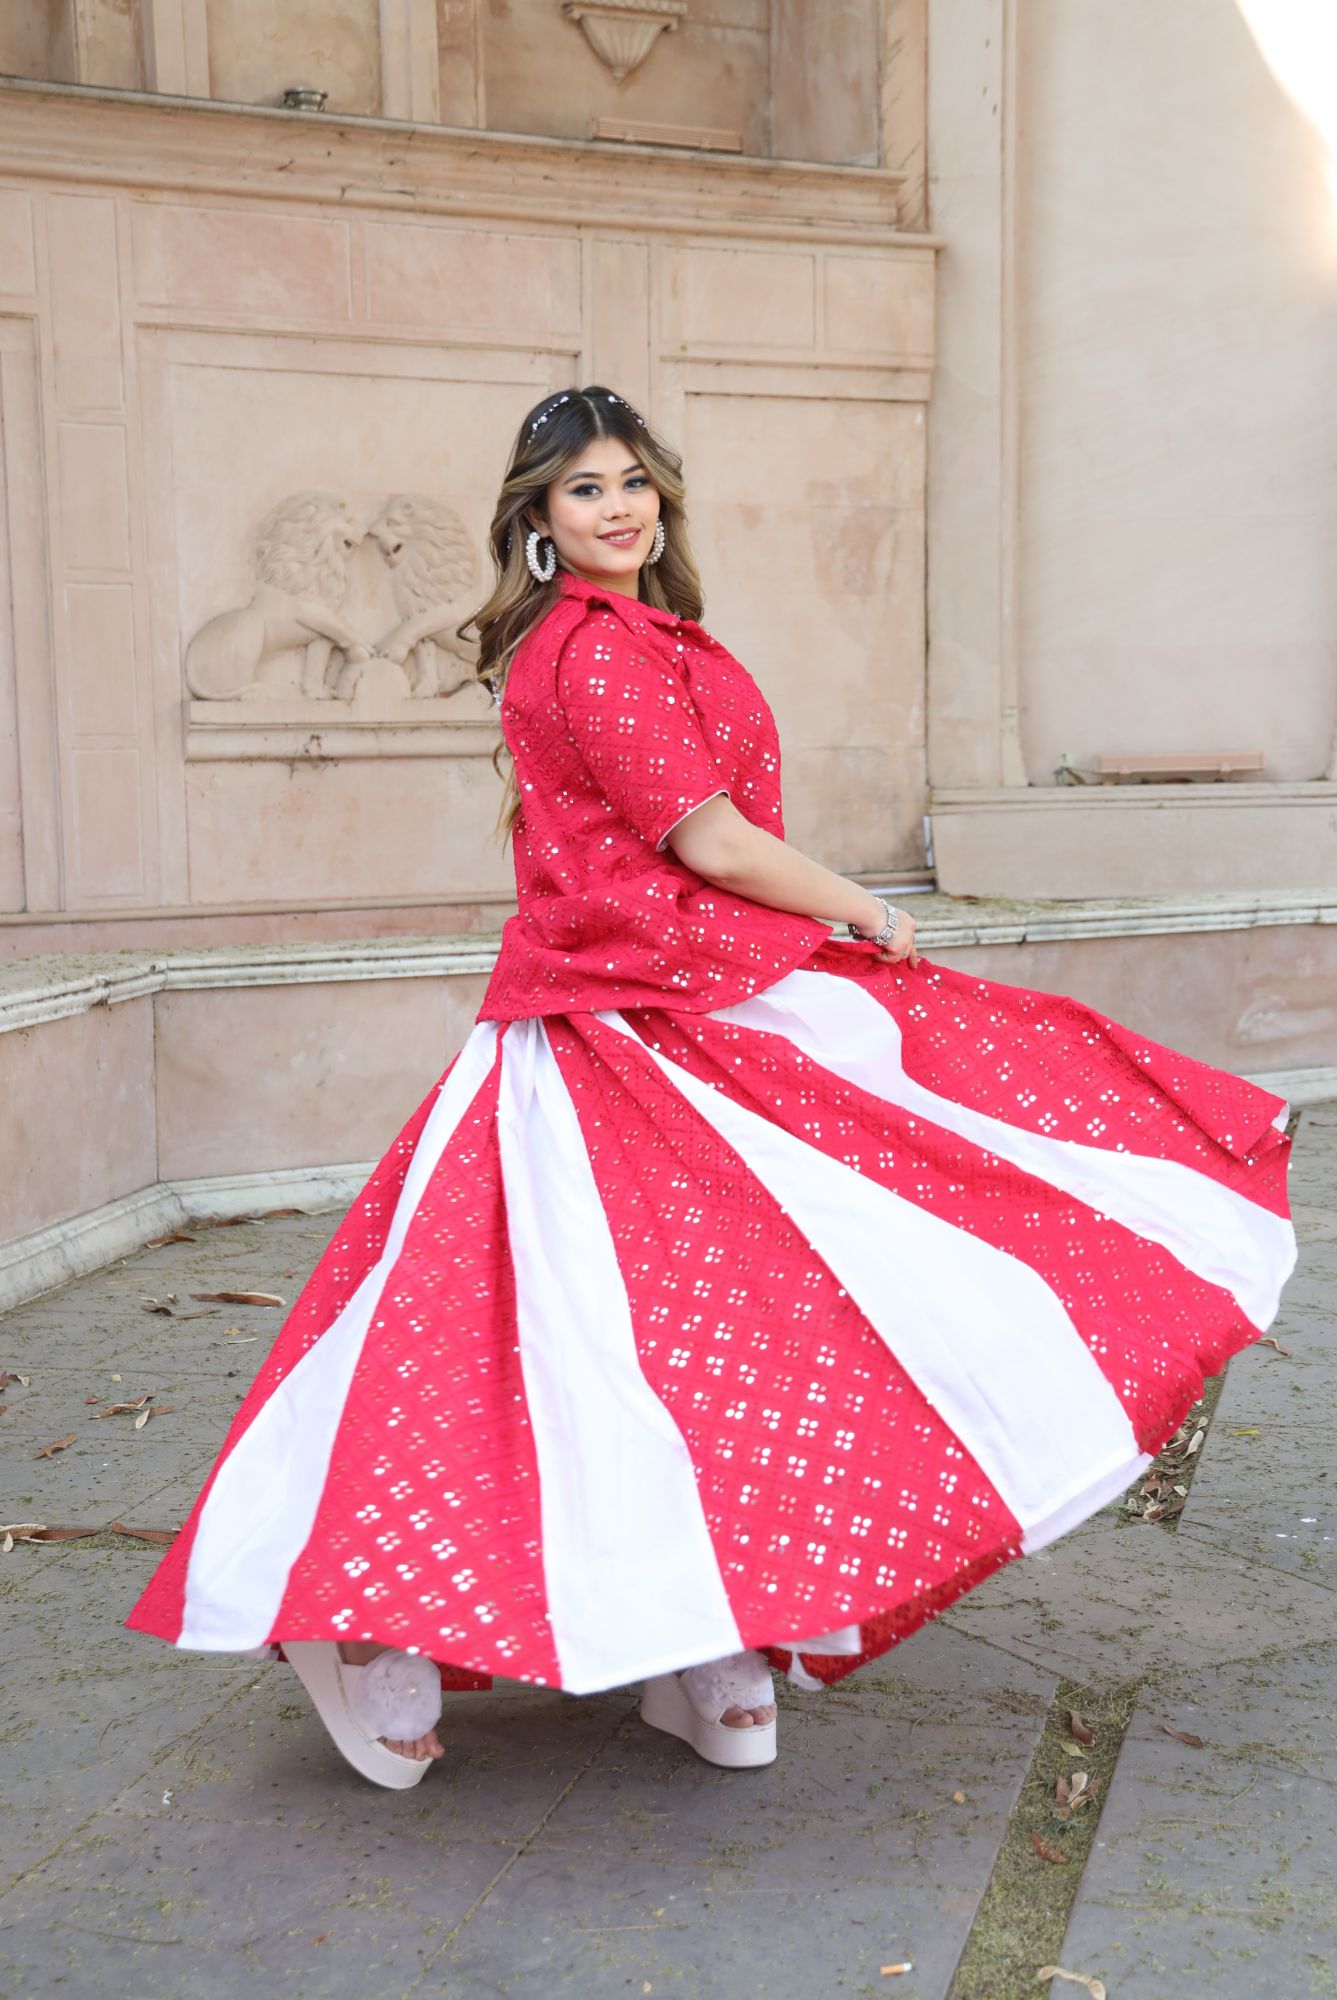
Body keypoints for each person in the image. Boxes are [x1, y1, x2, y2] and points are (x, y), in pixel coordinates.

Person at [127, 385, 1298, 1788]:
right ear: (538, 521)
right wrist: (862, 908)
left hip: (690, 1007)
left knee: (713, 1335)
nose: (617, 505)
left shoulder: (647, 637)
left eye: (632, 480)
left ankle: (712, 1642)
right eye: (581, 489)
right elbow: (713, 839)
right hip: (614, 1029)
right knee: (547, 1348)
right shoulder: (592, 652)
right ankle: (379, 1621)